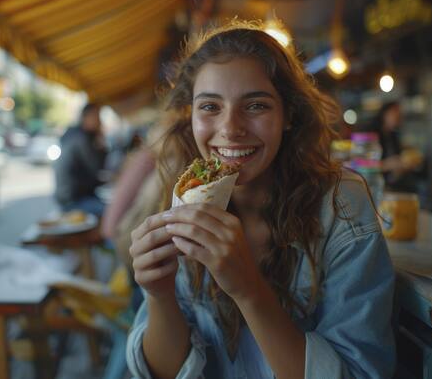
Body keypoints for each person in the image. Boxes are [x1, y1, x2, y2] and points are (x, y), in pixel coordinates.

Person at [126, 21, 396, 378]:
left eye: (255, 106)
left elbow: (358, 373)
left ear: (289, 115)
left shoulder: (340, 205)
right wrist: (159, 296)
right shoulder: (184, 197)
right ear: (190, 115)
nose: (230, 128)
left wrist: (249, 289)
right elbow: (162, 372)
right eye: (210, 107)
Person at [54, 103, 107, 215]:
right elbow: (96, 169)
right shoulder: (81, 139)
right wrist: (102, 147)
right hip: (74, 201)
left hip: (71, 196)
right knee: (111, 212)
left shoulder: (74, 134)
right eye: (97, 117)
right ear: (86, 117)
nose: (100, 122)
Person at [374, 101, 421, 190]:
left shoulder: (393, 135)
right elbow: (361, 165)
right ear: (384, 113)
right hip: (374, 185)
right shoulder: (370, 134)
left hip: (390, 184)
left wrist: (403, 166)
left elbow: (397, 163)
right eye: (395, 112)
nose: (398, 116)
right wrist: (386, 164)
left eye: (399, 113)